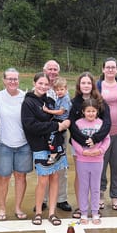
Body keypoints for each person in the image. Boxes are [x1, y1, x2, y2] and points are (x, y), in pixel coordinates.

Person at [21, 72, 71, 226]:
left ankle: (52, 212)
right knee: (43, 180)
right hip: (40, 146)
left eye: (46, 84)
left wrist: (65, 124)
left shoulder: (50, 101)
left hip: (55, 145)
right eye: (40, 83)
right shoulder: (28, 103)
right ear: (34, 83)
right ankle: (38, 213)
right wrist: (56, 126)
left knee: (55, 178)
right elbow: (30, 126)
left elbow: (62, 117)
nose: (43, 86)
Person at [68, 71, 111, 218]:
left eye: (88, 83)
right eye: (83, 83)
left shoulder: (100, 102)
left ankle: (94, 208)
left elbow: (107, 123)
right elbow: (72, 126)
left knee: (95, 179)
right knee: (81, 177)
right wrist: (84, 141)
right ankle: (82, 208)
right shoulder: (74, 103)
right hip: (79, 147)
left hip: (97, 146)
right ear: (79, 85)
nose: (85, 85)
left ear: (92, 85)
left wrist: (95, 139)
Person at [0, 68, 31, 220]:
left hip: (23, 144)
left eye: (15, 79)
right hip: (3, 143)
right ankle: (2, 208)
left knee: (21, 176)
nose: (13, 82)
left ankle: (18, 208)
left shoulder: (25, 97)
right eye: (10, 79)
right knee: (3, 177)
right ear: (4, 80)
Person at [96, 57, 117, 211]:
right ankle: (100, 195)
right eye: (107, 67)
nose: (110, 70)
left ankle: (115, 196)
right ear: (103, 69)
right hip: (102, 134)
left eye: (113, 67)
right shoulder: (97, 86)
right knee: (101, 166)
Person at [43, 59, 72, 212]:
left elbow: (69, 112)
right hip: (44, 132)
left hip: (60, 130)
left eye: (55, 69)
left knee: (60, 164)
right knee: (43, 164)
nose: (52, 72)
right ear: (44, 70)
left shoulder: (64, 91)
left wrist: (67, 122)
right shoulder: (41, 86)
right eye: (50, 69)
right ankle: (43, 199)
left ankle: (61, 198)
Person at [42, 78, 71, 165]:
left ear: (66, 89)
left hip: (62, 120)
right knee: (52, 134)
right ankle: (58, 151)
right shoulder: (59, 98)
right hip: (56, 119)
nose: (59, 92)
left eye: (62, 89)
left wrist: (47, 111)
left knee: (53, 134)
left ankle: (55, 153)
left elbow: (60, 112)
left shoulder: (65, 98)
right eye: (57, 90)